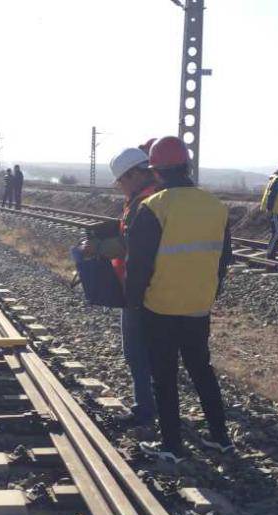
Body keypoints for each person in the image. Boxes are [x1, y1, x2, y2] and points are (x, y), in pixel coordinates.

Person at [126, 136, 233, 463]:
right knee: (202, 369)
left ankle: (171, 446)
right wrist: (210, 292)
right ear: (186, 165)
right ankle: (220, 438)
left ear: (156, 171)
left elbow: (139, 265)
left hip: (160, 306)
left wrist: (133, 305)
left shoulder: (154, 207)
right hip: (198, 305)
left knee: (164, 375)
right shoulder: (216, 207)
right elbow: (224, 258)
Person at [87, 147, 159, 425]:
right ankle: (160, 404)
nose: (120, 187)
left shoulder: (145, 202)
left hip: (138, 287)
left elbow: (132, 245)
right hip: (159, 285)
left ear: (133, 174)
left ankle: (145, 408)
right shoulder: (159, 196)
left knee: (137, 351)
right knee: (156, 350)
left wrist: (99, 247)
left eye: (121, 181)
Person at [260, 161, 278, 260]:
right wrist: (270, 209)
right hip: (274, 210)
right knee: (277, 233)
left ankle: (271, 253)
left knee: (277, 232)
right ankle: (270, 255)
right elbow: (272, 195)